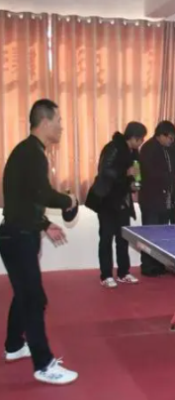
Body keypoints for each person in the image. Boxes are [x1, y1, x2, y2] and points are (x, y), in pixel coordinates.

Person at [0, 99, 78, 384]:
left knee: (26, 295)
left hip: (17, 235)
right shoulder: (32, 154)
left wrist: (44, 224)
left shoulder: (29, 152)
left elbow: (25, 199)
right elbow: (43, 194)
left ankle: (13, 346)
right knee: (33, 299)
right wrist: (69, 200)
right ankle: (44, 365)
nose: (61, 127)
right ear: (44, 123)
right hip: (17, 238)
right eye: (58, 121)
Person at [85, 122, 147, 288]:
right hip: (107, 199)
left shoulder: (134, 153)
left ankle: (123, 272)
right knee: (106, 238)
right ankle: (105, 275)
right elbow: (104, 170)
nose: (141, 142)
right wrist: (125, 172)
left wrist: (133, 185)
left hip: (122, 200)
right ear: (132, 137)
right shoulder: (112, 148)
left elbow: (133, 176)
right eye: (140, 139)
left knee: (123, 237)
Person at [138, 121, 175, 277]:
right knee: (150, 234)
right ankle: (148, 266)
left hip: (164, 199)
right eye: (170, 138)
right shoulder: (148, 148)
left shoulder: (166, 149)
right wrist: (173, 177)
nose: (171, 141)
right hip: (151, 199)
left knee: (161, 234)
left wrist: (174, 177)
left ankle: (159, 264)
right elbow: (151, 174)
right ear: (161, 135)